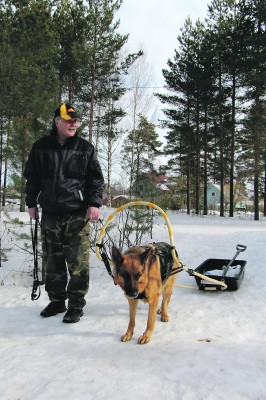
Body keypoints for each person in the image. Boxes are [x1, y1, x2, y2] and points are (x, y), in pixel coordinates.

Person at [24, 103, 104, 323]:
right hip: (49, 213)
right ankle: (57, 301)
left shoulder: (85, 148)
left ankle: (76, 304)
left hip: (76, 214)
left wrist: (94, 203)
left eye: (75, 121)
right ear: (57, 122)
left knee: (78, 262)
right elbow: (32, 178)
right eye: (68, 121)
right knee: (52, 261)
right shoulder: (40, 147)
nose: (73, 124)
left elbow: (96, 180)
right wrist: (31, 203)